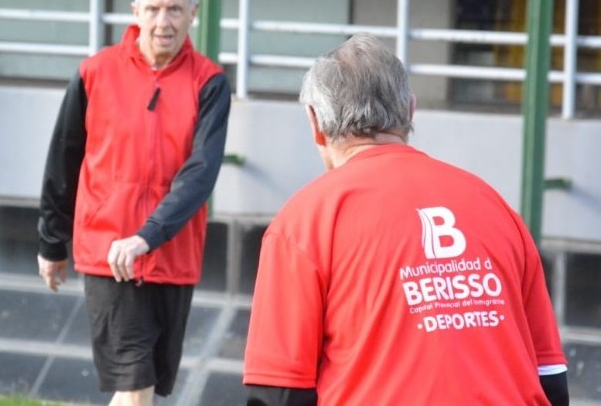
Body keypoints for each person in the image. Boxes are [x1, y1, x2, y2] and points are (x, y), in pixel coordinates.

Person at [243, 33, 569, 405]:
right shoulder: (495, 206)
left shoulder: (304, 223)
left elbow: (278, 392)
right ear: (410, 111)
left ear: (315, 121)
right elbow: (550, 375)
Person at [37, 0, 231, 406]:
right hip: (109, 254)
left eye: (175, 10)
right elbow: (63, 160)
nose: (163, 22)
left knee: (144, 388)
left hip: (173, 256)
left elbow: (201, 172)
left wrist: (149, 237)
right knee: (135, 386)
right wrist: (51, 241)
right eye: (153, 9)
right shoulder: (94, 73)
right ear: (135, 12)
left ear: (194, 13)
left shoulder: (211, 83)